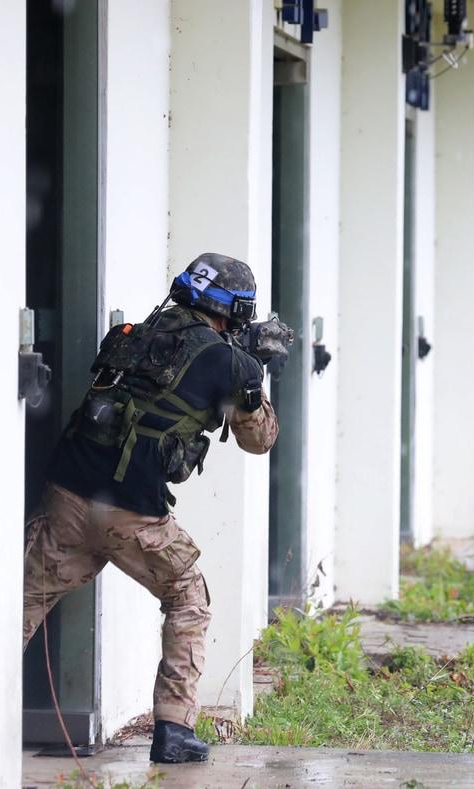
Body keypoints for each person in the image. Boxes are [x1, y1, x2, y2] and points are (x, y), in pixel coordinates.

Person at [22, 254, 283, 764]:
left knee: (21, 599)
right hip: (133, 514)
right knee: (188, 598)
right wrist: (256, 374)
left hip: (67, 496)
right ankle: (174, 731)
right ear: (234, 311)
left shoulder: (134, 332)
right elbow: (260, 440)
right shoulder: (235, 364)